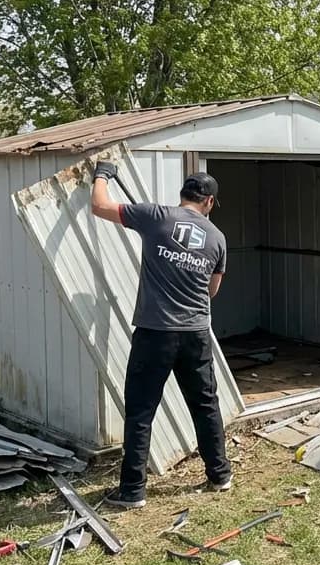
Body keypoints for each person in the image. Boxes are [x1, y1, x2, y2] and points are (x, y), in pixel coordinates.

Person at [90, 161, 234, 509]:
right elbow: (212, 290)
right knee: (205, 405)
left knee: (141, 411)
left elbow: (99, 205)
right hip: (195, 334)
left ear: (183, 194)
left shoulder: (156, 217)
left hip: (155, 332)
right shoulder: (217, 238)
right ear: (209, 202)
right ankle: (220, 476)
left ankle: (133, 491)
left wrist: (102, 174)